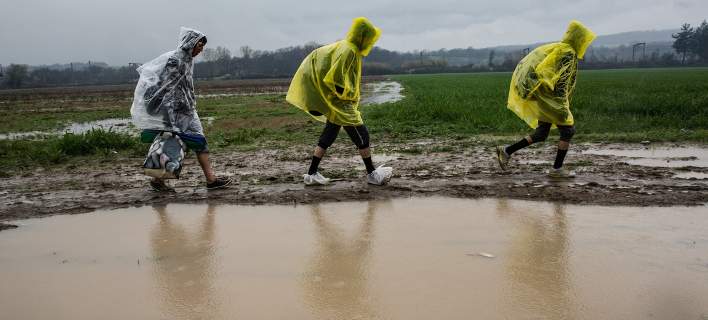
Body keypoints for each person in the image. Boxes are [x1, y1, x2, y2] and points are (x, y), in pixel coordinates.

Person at [286, 17, 393, 186]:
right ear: (363, 37)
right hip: (341, 104)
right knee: (362, 136)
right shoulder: (350, 51)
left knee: (329, 135)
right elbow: (336, 78)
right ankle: (372, 174)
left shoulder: (346, 46)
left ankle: (311, 174)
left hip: (336, 102)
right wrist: (345, 97)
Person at [131, 27, 232, 191]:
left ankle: (209, 180)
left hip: (187, 110)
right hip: (176, 112)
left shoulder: (186, 60)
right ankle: (207, 180)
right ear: (190, 43)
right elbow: (168, 88)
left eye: (202, 46)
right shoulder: (176, 60)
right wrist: (171, 116)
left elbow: (182, 88)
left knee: (192, 141)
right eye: (199, 45)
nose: (201, 50)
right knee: (176, 142)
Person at [496, 20, 596, 178]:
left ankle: (507, 151)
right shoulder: (568, 53)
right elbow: (561, 82)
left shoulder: (558, 48)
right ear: (578, 39)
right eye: (584, 40)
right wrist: (561, 105)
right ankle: (557, 169)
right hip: (549, 98)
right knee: (568, 130)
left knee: (541, 133)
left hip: (542, 95)